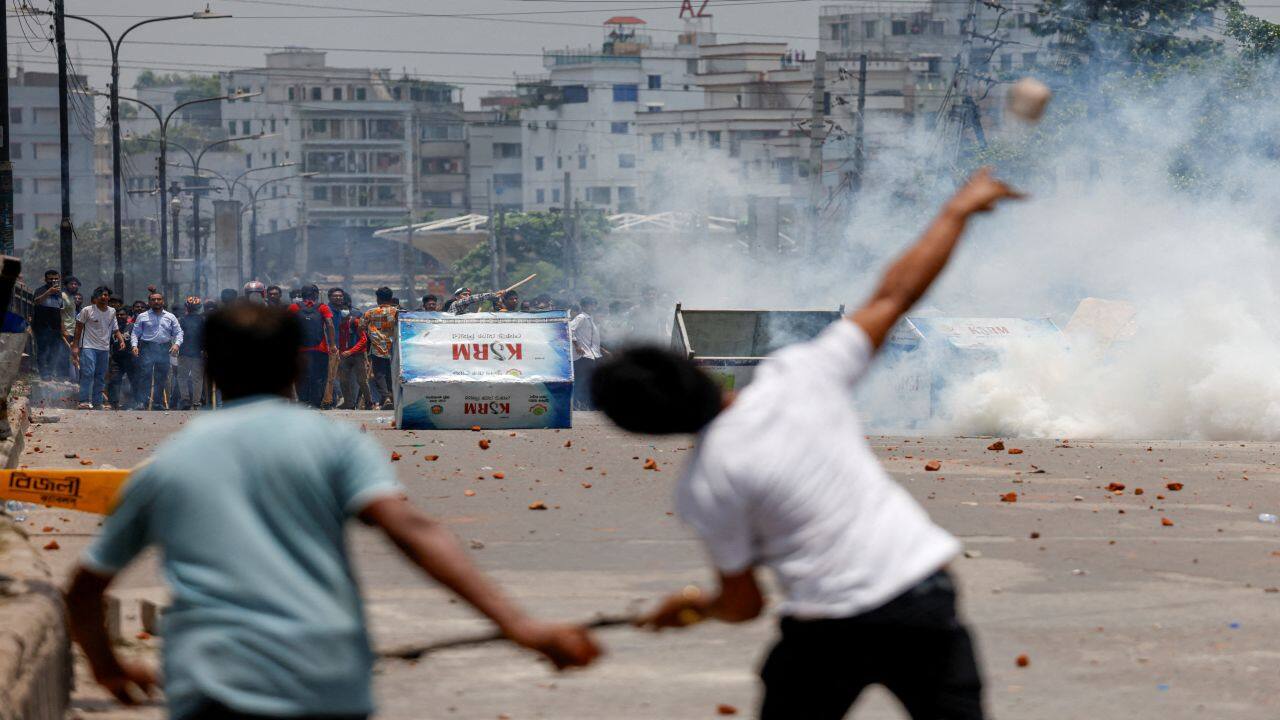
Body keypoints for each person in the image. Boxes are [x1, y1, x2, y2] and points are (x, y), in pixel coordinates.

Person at [590, 169, 1022, 720]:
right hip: (921, 591)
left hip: (828, 627)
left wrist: (694, 608)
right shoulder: (799, 375)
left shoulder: (704, 483)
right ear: (693, 367)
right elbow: (895, 295)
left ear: (646, 430)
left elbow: (744, 605)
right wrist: (956, 212)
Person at [65, 302, 601, 720]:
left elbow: (86, 587)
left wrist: (108, 669)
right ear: (299, 364)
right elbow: (411, 531)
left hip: (211, 685)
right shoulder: (335, 443)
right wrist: (521, 626)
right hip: (327, 679)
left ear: (210, 370)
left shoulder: (167, 464)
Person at [131, 292, 184, 411]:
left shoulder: (170, 316)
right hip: (147, 347)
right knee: (145, 375)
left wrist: (176, 344)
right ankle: (141, 402)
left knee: (161, 376)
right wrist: (134, 345)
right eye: (153, 300)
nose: (156, 302)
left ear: (163, 301)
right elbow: (135, 333)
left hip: (164, 348)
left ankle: (157, 404)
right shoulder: (142, 316)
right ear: (149, 302)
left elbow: (179, 332)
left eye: (159, 299)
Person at [287, 285, 338, 408]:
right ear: (316, 294)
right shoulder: (322, 307)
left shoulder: (293, 307)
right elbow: (330, 324)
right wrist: (332, 345)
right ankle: (315, 403)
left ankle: (303, 402)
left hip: (300, 350)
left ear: (302, 294)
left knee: (301, 376)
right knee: (319, 377)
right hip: (320, 349)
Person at [71, 286, 118, 410]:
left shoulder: (112, 311)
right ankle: (84, 400)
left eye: (106, 295)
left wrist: (121, 339)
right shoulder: (87, 310)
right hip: (88, 346)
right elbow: (78, 328)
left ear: (108, 297)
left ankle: (97, 402)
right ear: (95, 298)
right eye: (100, 295)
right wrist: (75, 346)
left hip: (104, 348)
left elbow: (114, 328)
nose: (104, 297)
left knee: (100, 375)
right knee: (88, 373)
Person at [362, 286, 398, 410]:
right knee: (392, 372)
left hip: (377, 348)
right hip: (394, 348)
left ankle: (386, 397)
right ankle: (392, 396)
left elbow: (360, 327)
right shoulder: (397, 312)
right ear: (391, 298)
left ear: (378, 299)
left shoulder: (370, 312)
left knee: (379, 374)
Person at [31, 269, 70, 381]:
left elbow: (60, 311)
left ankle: (51, 372)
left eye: (56, 279)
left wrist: (63, 328)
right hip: (41, 326)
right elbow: (37, 301)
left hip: (55, 327)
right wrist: (49, 292)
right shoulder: (40, 290)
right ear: (45, 279)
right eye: (51, 279)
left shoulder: (59, 294)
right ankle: (44, 374)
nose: (53, 280)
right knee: (43, 350)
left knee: (54, 350)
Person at [334, 300, 372, 410]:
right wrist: (340, 351)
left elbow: (363, 339)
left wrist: (351, 351)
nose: (343, 312)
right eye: (341, 310)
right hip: (344, 355)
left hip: (358, 355)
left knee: (362, 380)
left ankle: (369, 402)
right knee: (343, 380)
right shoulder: (340, 324)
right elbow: (340, 339)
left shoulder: (356, 322)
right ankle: (348, 403)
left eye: (345, 309)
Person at [568, 297, 604, 410]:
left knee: (587, 380)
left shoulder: (590, 319)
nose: (592, 307)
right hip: (583, 355)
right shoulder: (581, 317)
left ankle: (584, 404)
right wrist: (577, 346)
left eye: (594, 304)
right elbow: (569, 329)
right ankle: (578, 404)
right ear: (584, 306)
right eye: (590, 305)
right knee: (583, 381)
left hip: (591, 354)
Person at [173, 298, 206, 410]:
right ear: (199, 308)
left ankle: (186, 399)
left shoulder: (181, 320)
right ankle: (196, 402)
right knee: (197, 379)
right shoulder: (203, 320)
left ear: (186, 307)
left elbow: (178, 336)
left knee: (182, 377)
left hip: (184, 353)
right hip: (198, 354)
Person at [105, 307, 139, 411]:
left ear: (127, 316)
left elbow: (137, 339)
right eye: (118, 315)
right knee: (115, 380)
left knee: (134, 380)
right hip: (117, 359)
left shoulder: (132, 327)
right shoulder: (113, 329)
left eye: (122, 314)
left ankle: (136, 402)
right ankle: (113, 402)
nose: (120, 316)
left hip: (130, 359)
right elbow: (108, 343)